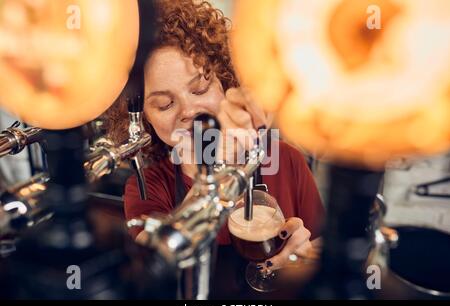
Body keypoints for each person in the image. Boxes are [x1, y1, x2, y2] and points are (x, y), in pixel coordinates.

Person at [105, 0, 325, 272]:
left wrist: (301, 259)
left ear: (224, 81)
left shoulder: (285, 158)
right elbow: (155, 271)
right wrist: (214, 162)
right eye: (164, 104)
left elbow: (323, 255)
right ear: (144, 119)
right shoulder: (145, 187)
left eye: (199, 89)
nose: (189, 111)